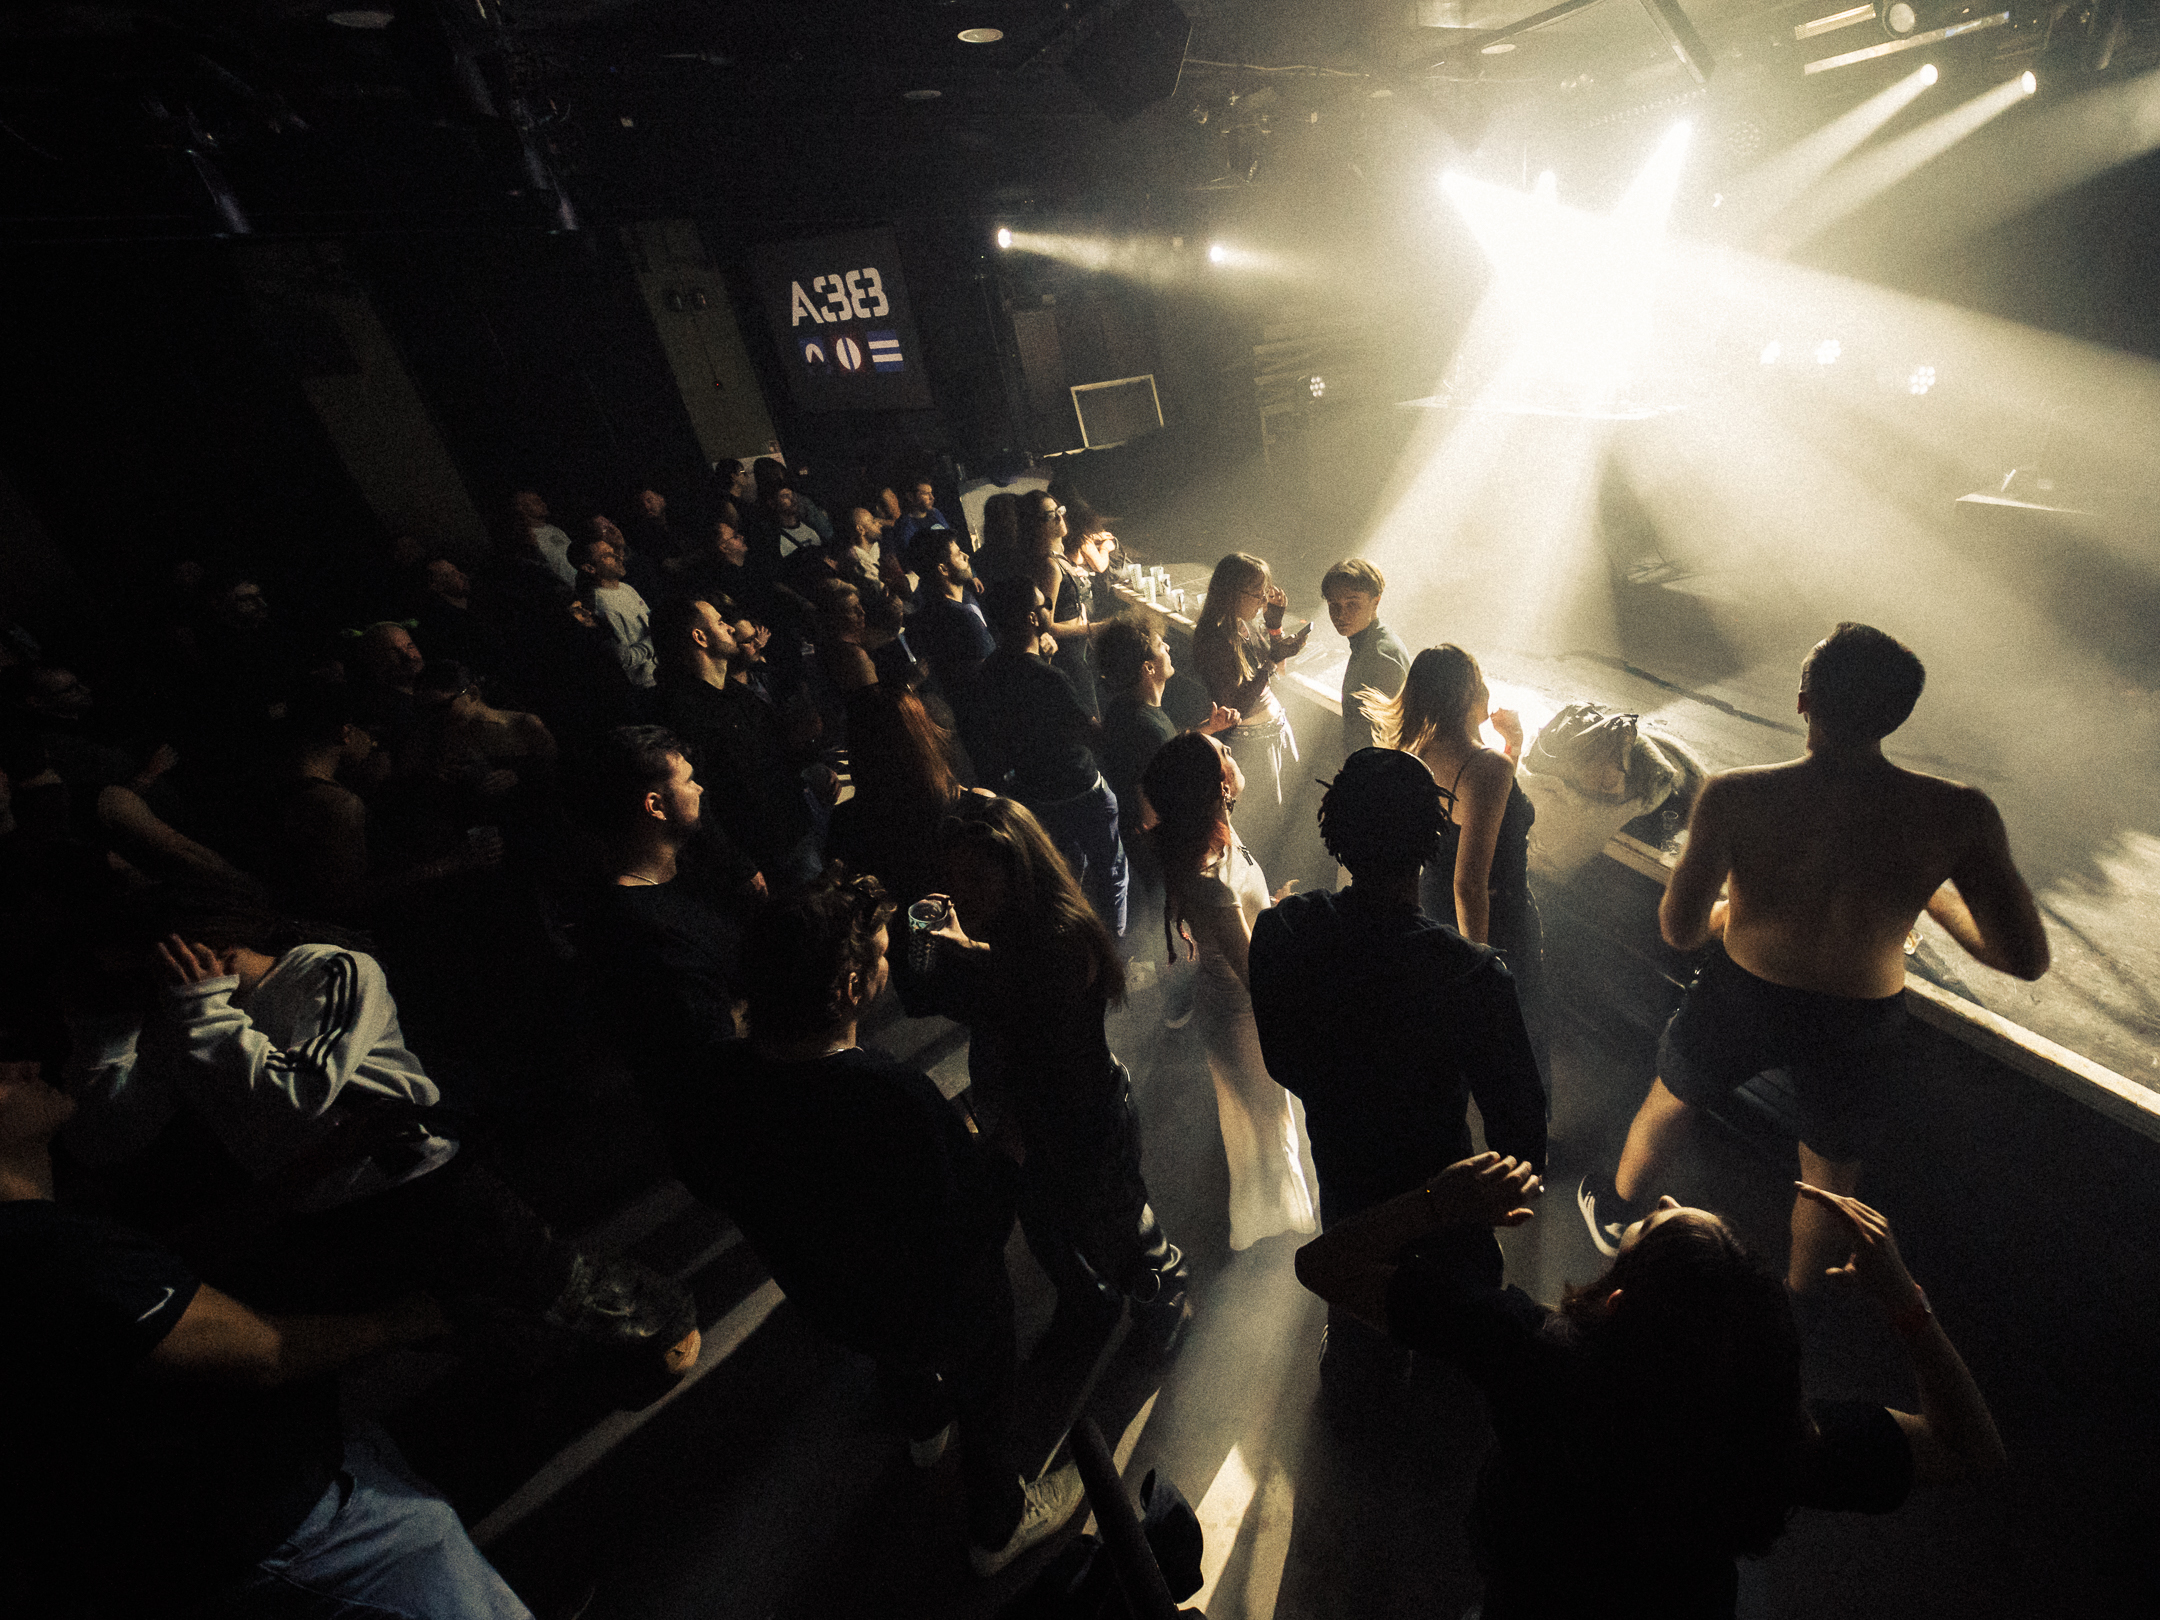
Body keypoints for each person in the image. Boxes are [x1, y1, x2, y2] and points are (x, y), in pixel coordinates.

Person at [1295, 1153, 2006, 1618]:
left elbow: (1323, 1264)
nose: (1663, 1194)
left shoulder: (1530, 1351)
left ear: (1616, 1302)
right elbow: (1972, 1450)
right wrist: (1907, 1304)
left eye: (1650, 1223)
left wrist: (1434, 1202)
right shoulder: (1769, 1440)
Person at [1579, 624, 2049, 1286]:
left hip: (1741, 994)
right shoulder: (1959, 813)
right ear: (1899, 714)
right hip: (1860, 1020)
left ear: (1804, 699)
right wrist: (1932, 896)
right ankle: (1801, 1301)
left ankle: (1619, 1215)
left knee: (1674, 1097)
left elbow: (1680, 931)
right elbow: (2023, 958)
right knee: (1829, 1179)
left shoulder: (1736, 794)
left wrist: (1731, 915)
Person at [0, 1049, 535, 1620]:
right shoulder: (40, 1251)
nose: (24, 1064)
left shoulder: (48, 1238)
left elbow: (167, 1273)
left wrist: (317, 1164)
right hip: (295, 1537)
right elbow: (264, 1353)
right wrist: (421, 1315)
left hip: (266, 1526)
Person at [659, 872, 1084, 1577]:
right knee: (985, 1374)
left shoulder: (720, 1075)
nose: (892, 963)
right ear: (851, 989)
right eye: (884, 955)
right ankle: (998, 1523)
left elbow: (711, 1176)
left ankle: (922, 1425)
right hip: (941, 1306)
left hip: (832, 1297)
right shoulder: (890, 1099)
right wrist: (1007, 1146)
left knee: (896, 1351)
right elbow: (974, 1226)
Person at [1250, 747, 1547, 1392]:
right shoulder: (1473, 975)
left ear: (1332, 827)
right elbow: (1523, 1140)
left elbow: (1284, 1061)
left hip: (1346, 1177)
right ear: (1434, 840)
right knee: (1456, 1351)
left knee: (1356, 1306)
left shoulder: (1281, 932)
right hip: (1448, 1205)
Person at [913, 795, 1190, 1354]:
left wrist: (965, 956)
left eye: (976, 877)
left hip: (1084, 1121)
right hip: (1036, 1123)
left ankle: (1166, 1304)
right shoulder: (1012, 930)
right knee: (1050, 1229)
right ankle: (1091, 1304)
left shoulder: (1060, 940)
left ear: (1018, 870)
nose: (961, 892)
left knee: (1123, 1233)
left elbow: (1031, 1018)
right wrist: (953, 947)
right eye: (953, 879)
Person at [1141, 731, 1316, 1251]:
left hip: (1235, 1007)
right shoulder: (1209, 880)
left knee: (1265, 1123)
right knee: (1268, 1126)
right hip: (1242, 1018)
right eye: (1224, 752)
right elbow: (1252, 970)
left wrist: (1272, 910)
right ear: (1217, 784)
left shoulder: (1218, 838)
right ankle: (1281, 1238)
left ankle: (1276, 1223)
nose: (1233, 752)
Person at [1366, 644, 1549, 1094]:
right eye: (1481, 682)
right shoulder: (1486, 766)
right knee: (1514, 1040)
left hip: (1431, 908)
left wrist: (1513, 748)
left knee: (1446, 1039)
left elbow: (1482, 813)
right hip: (1494, 918)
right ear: (1468, 693)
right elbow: (1469, 884)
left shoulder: (1415, 752)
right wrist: (1480, 965)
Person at [577, 724, 754, 1074]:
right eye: (689, 781)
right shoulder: (641, 928)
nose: (699, 788)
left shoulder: (688, 873)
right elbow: (713, 1044)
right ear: (655, 805)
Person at [962, 577, 1128, 936]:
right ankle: (1115, 947)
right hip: (1081, 790)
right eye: (1044, 605)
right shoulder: (1050, 679)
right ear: (1032, 619)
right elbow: (1093, 738)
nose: (1048, 610)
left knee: (1064, 874)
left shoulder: (989, 671)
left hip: (1035, 792)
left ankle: (1072, 938)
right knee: (1112, 872)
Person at [651, 594, 826, 890]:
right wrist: (739, 866)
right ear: (700, 637)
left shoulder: (736, 692)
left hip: (794, 829)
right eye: (720, 622)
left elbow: (775, 750)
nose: (730, 628)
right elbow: (696, 799)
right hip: (762, 854)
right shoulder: (680, 712)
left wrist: (811, 764)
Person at [1189, 553, 1311, 838]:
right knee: (1267, 825)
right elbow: (1234, 707)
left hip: (1275, 731)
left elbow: (1278, 670)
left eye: (1265, 592)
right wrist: (1272, 660)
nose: (1263, 600)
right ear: (1232, 592)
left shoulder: (1243, 624)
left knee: (1288, 816)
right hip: (1253, 744)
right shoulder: (1214, 638)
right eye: (1257, 593)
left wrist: (1274, 627)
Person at [1320, 558, 1409, 756]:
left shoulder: (1381, 656)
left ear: (1375, 602)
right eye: (1333, 604)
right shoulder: (1369, 643)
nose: (1340, 614)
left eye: (1352, 603)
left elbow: (1390, 739)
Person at [904, 526, 994, 696]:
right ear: (943, 569)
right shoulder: (958, 619)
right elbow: (991, 669)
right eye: (959, 554)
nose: (966, 556)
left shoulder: (964, 597)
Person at [572, 531, 658, 690]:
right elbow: (624, 660)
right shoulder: (601, 605)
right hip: (647, 685)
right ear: (590, 568)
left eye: (614, 552)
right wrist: (657, 639)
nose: (619, 557)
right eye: (607, 556)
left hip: (660, 672)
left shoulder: (625, 587)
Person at [511, 490, 578, 589]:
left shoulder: (555, 530)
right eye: (535, 502)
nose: (542, 504)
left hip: (579, 584)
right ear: (522, 508)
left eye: (541, 500)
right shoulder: (528, 539)